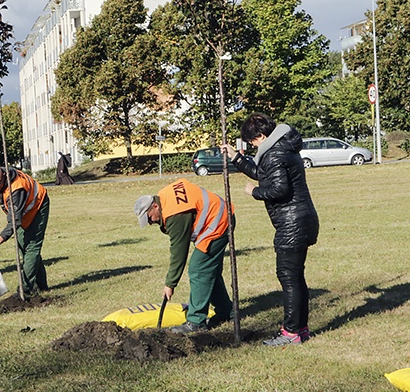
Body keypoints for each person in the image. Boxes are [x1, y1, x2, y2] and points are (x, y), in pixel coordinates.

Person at [222, 112, 319, 346]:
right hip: (302, 219)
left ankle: (291, 333)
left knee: (288, 277)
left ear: (262, 136)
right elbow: (261, 172)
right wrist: (236, 158)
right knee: (295, 277)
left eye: (253, 141)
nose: (253, 146)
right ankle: (300, 329)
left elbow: (279, 190)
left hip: (292, 224)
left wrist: (253, 192)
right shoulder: (282, 149)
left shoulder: (275, 153)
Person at [134, 178, 234, 334]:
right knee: (209, 272)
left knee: (199, 269)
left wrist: (170, 284)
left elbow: (179, 252)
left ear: (155, 206)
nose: (151, 222)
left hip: (218, 221)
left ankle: (196, 322)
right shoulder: (163, 198)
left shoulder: (175, 214)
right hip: (219, 216)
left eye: (149, 217)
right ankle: (227, 312)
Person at [0, 165, 50, 295]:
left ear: (4, 177)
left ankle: (25, 289)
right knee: (23, 246)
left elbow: (14, 221)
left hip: (38, 206)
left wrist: (0, 239)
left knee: (31, 247)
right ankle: (43, 286)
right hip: (22, 211)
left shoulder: (17, 188)